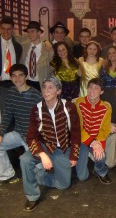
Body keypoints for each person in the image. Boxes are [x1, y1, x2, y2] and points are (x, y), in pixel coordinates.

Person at [20, 76, 80, 212]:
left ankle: (39, 175)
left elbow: (76, 133)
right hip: (44, 146)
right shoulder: (36, 109)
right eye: (44, 87)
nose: (46, 91)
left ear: (58, 91)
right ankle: (32, 196)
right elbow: (31, 136)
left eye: (51, 87)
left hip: (62, 149)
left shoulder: (69, 107)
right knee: (24, 159)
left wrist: (73, 155)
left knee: (64, 185)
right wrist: (41, 154)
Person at [0, 64, 42, 186]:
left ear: (26, 76)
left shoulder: (36, 95)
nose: (17, 79)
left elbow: (43, 120)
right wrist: (0, 134)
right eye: (14, 76)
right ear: (10, 78)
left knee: (38, 175)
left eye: (20, 75)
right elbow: (7, 115)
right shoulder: (11, 92)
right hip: (18, 133)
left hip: (33, 136)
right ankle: (7, 175)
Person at [73, 78, 112, 184]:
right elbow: (77, 127)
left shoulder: (106, 108)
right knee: (82, 177)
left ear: (102, 91)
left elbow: (105, 129)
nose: (92, 91)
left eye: (96, 88)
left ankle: (100, 171)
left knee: (101, 155)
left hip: (97, 138)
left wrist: (98, 142)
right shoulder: (78, 103)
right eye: (90, 87)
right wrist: (91, 141)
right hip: (82, 140)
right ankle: (77, 164)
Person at [20, 21, 54, 91]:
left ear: (39, 33)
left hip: (41, 84)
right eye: (28, 32)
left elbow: (52, 68)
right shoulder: (24, 46)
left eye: (32, 31)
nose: (30, 34)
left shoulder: (48, 49)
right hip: (26, 83)